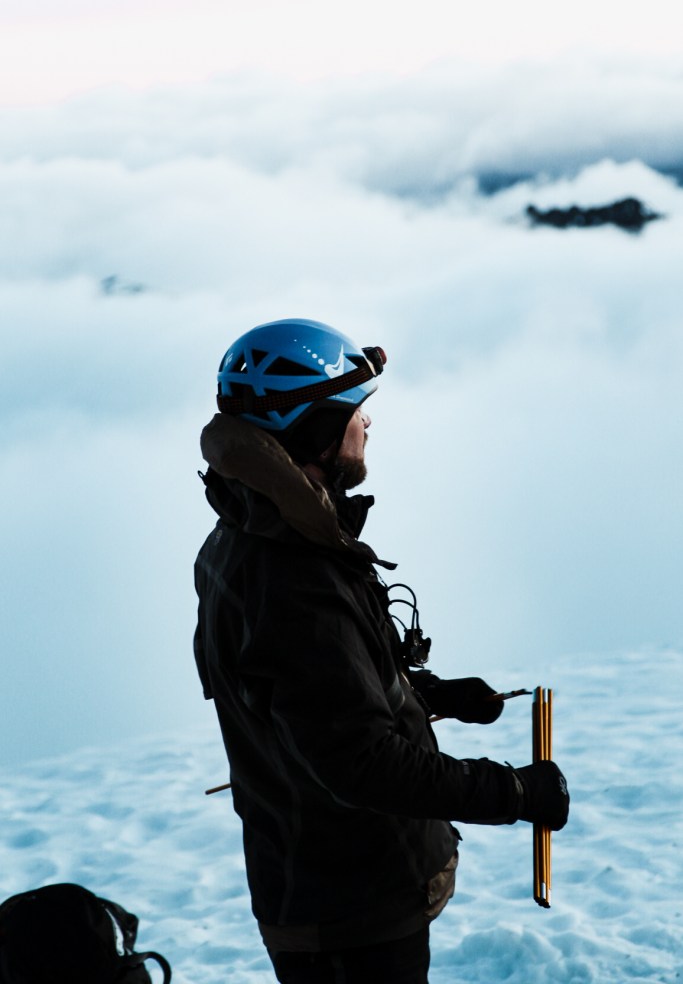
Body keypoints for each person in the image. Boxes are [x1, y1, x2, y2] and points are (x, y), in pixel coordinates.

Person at [193, 318, 569, 984]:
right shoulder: (294, 577)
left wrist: (428, 694)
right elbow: (359, 764)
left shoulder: (252, 536)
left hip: (327, 887)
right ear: (314, 428)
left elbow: (305, 695)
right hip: (351, 911)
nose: (367, 424)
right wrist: (513, 791)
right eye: (355, 411)